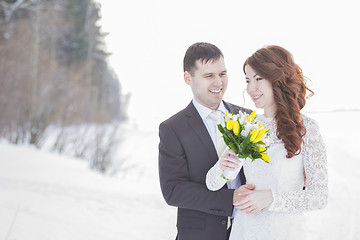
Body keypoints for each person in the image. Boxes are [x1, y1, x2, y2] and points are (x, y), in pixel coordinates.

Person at [206, 45, 328, 240]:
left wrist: (272, 198)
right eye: (247, 80)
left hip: (286, 232)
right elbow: (212, 183)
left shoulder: (306, 128)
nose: (250, 88)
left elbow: (319, 197)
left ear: (277, 78)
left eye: (258, 79)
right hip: (245, 231)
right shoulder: (247, 126)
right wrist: (224, 166)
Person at [158, 42, 253, 240]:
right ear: (188, 78)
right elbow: (174, 190)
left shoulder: (248, 117)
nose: (218, 82)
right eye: (209, 76)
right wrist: (230, 200)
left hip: (249, 230)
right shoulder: (173, 128)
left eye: (222, 74)